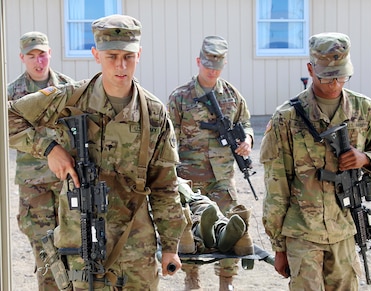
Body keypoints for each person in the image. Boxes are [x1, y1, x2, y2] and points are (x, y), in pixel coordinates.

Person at [8, 14, 186, 290]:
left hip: (135, 246)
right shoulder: (70, 98)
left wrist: (171, 246)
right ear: (96, 55)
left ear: (139, 54)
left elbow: (165, 186)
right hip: (82, 242)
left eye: (128, 56)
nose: (120, 65)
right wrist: (49, 149)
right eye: (111, 55)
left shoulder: (153, 113)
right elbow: (8, 115)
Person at [260, 32, 371, 290]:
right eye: (327, 76)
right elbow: (276, 187)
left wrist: (364, 158)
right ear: (310, 69)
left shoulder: (365, 109)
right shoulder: (286, 118)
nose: (335, 83)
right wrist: (278, 247)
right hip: (302, 232)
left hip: (345, 228)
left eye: (341, 75)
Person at [168, 35, 254, 291]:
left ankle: (225, 281)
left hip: (222, 177)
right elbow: (168, 136)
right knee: (191, 228)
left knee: (231, 226)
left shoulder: (231, 95)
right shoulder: (180, 97)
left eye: (217, 67)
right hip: (190, 179)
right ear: (198, 62)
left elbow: (246, 122)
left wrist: (247, 139)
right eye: (208, 66)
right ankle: (191, 277)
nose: (212, 71)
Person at [7, 31, 76, 291]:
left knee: (75, 249)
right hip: (34, 187)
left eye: (42, 54)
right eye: (32, 56)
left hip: (65, 184)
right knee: (45, 254)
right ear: (22, 58)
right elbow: (10, 135)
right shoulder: (12, 94)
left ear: (50, 54)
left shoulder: (68, 88)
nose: (38, 61)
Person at [177, 177, 252, 256]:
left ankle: (219, 234)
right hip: (172, 197)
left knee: (204, 207)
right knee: (194, 209)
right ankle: (213, 232)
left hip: (183, 193)